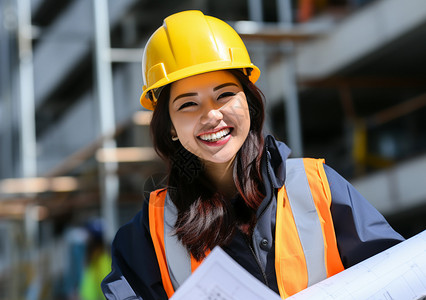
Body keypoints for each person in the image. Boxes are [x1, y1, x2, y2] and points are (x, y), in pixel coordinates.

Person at [101, 10, 404, 300]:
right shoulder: (150, 232)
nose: (212, 115)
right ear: (170, 128)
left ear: (249, 102)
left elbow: (399, 278)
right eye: (188, 105)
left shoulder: (317, 188)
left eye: (224, 95)